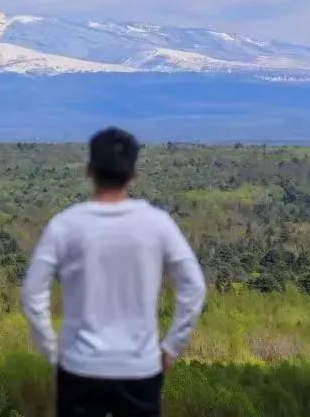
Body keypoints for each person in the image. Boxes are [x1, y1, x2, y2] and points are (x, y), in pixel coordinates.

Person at [21, 127, 206, 417]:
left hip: (79, 367)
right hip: (140, 369)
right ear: (134, 174)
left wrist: (53, 351)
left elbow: (33, 293)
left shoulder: (66, 225)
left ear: (89, 170)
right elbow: (194, 288)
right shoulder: (157, 224)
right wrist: (171, 347)